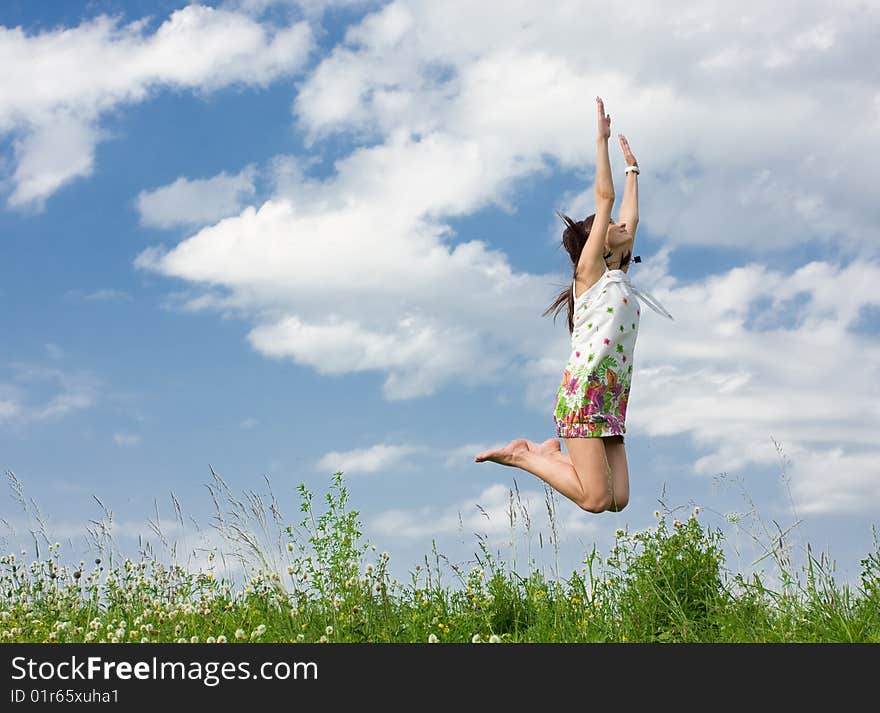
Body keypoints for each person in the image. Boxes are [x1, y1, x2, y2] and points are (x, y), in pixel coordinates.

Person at [474, 96, 673, 514]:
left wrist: (634, 169)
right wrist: (600, 142)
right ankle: (526, 456)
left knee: (618, 500)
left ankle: (549, 453)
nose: (620, 223)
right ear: (598, 242)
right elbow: (606, 200)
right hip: (584, 393)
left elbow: (631, 219)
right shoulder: (590, 276)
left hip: (612, 397)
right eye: (611, 225)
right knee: (594, 499)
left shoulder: (620, 279)